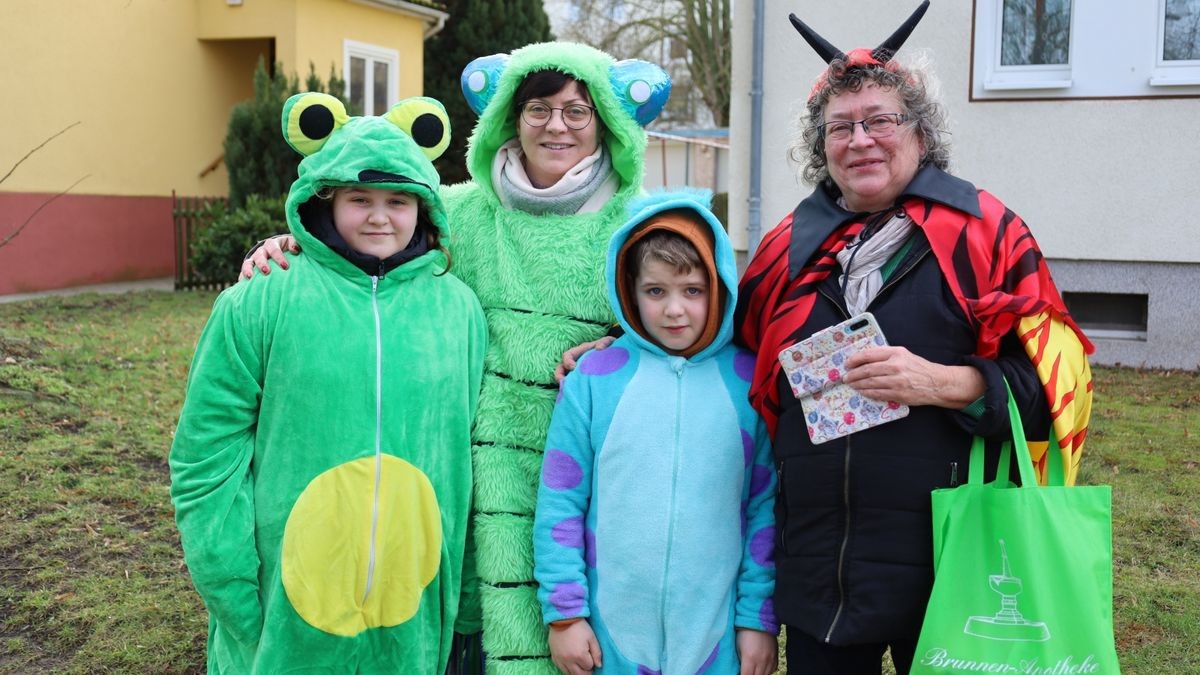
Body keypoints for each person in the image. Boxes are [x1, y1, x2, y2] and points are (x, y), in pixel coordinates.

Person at [238, 42, 672, 674]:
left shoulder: (639, 224)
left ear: (605, 119)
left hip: (579, 473)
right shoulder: (458, 210)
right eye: (538, 108)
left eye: (578, 112)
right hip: (455, 466)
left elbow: (687, 321)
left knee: (572, 632)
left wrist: (624, 342)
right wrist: (290, 244)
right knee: (460, 623)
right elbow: (370, 245)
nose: (557, 126)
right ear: (508, 118)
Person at [733, 2, 1095, 673]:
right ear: (821, 148)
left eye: (881, 120)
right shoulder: (782, 250)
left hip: (955, 562)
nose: (861, 138)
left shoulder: (989, 234)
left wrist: (943, 384)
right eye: (841, 126)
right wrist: (613, 346)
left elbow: (1054, 391)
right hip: (821, 572)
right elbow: (722, 352)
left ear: (920, 134)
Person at [170, 93, 486, 674]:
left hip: (411, 612)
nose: (379, 216)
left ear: (424, 207)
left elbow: (467, 451)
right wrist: (232, 586)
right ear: (325, 199)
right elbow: (206, 453)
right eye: (358, 198)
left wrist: (464, 593)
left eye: (398, 200)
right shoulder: (260, 298)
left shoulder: (459, 310)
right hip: (282, 612)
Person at [533, 191, 778, 675]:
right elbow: (561, 501)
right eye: (655, 291)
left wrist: (757, 619)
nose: (674, 311)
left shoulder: (749, 383)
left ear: (720, 287)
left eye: (692, 290)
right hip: (607, 638)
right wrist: (565, 616)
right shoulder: (594, 379)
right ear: (630, 290)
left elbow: (765, 510)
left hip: (714, 637)